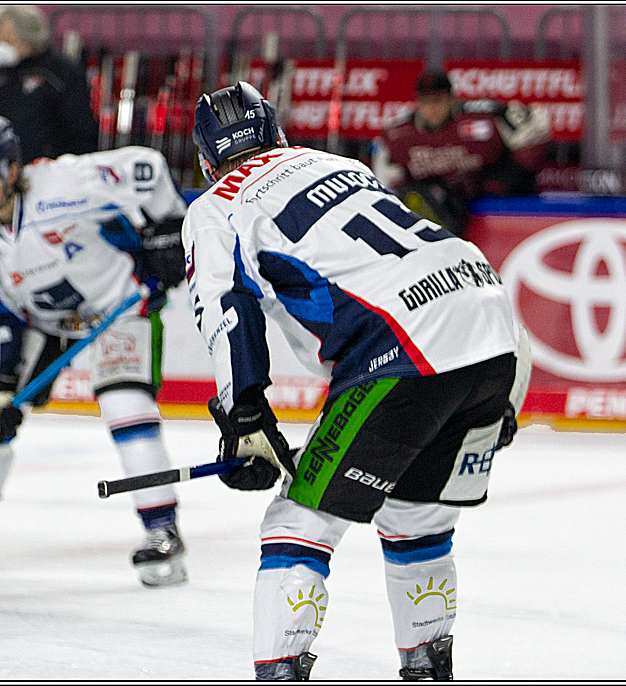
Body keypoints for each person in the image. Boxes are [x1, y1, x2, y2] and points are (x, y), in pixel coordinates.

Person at [184, 82, 530, 680]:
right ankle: (428, 667)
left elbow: (227, 312)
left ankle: (280, 672)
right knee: (418, 517)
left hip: (405, 346)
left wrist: (244, 415)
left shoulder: (217, 205)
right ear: (278, 135)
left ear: (206, 160)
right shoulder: (336, 163)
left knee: (298, 521)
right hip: (493, 325)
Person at [0, 115, 189, 586]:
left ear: (10, 169)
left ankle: (162, 530)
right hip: (42, 325)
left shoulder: (65, 184)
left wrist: (169, 228)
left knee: (126, 403)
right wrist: (1, 381)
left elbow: (146, 167)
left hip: (119, 307)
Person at [371, 69, 551, 237]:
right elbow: (387, 186)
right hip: (442, 216)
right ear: (417, 102)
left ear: (451, 99)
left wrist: (504, 180)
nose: (432, 109)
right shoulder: (398, 135)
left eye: (438, 101)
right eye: (426, 102)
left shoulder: (485, 116)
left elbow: (538, 126)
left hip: (500, 208)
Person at [0, 5, 98, 164]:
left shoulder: (61, 72)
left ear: (28, 38)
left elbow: (81, 127)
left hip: (54, 171)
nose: (1, 46)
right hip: (8, 171)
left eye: (7, 39)